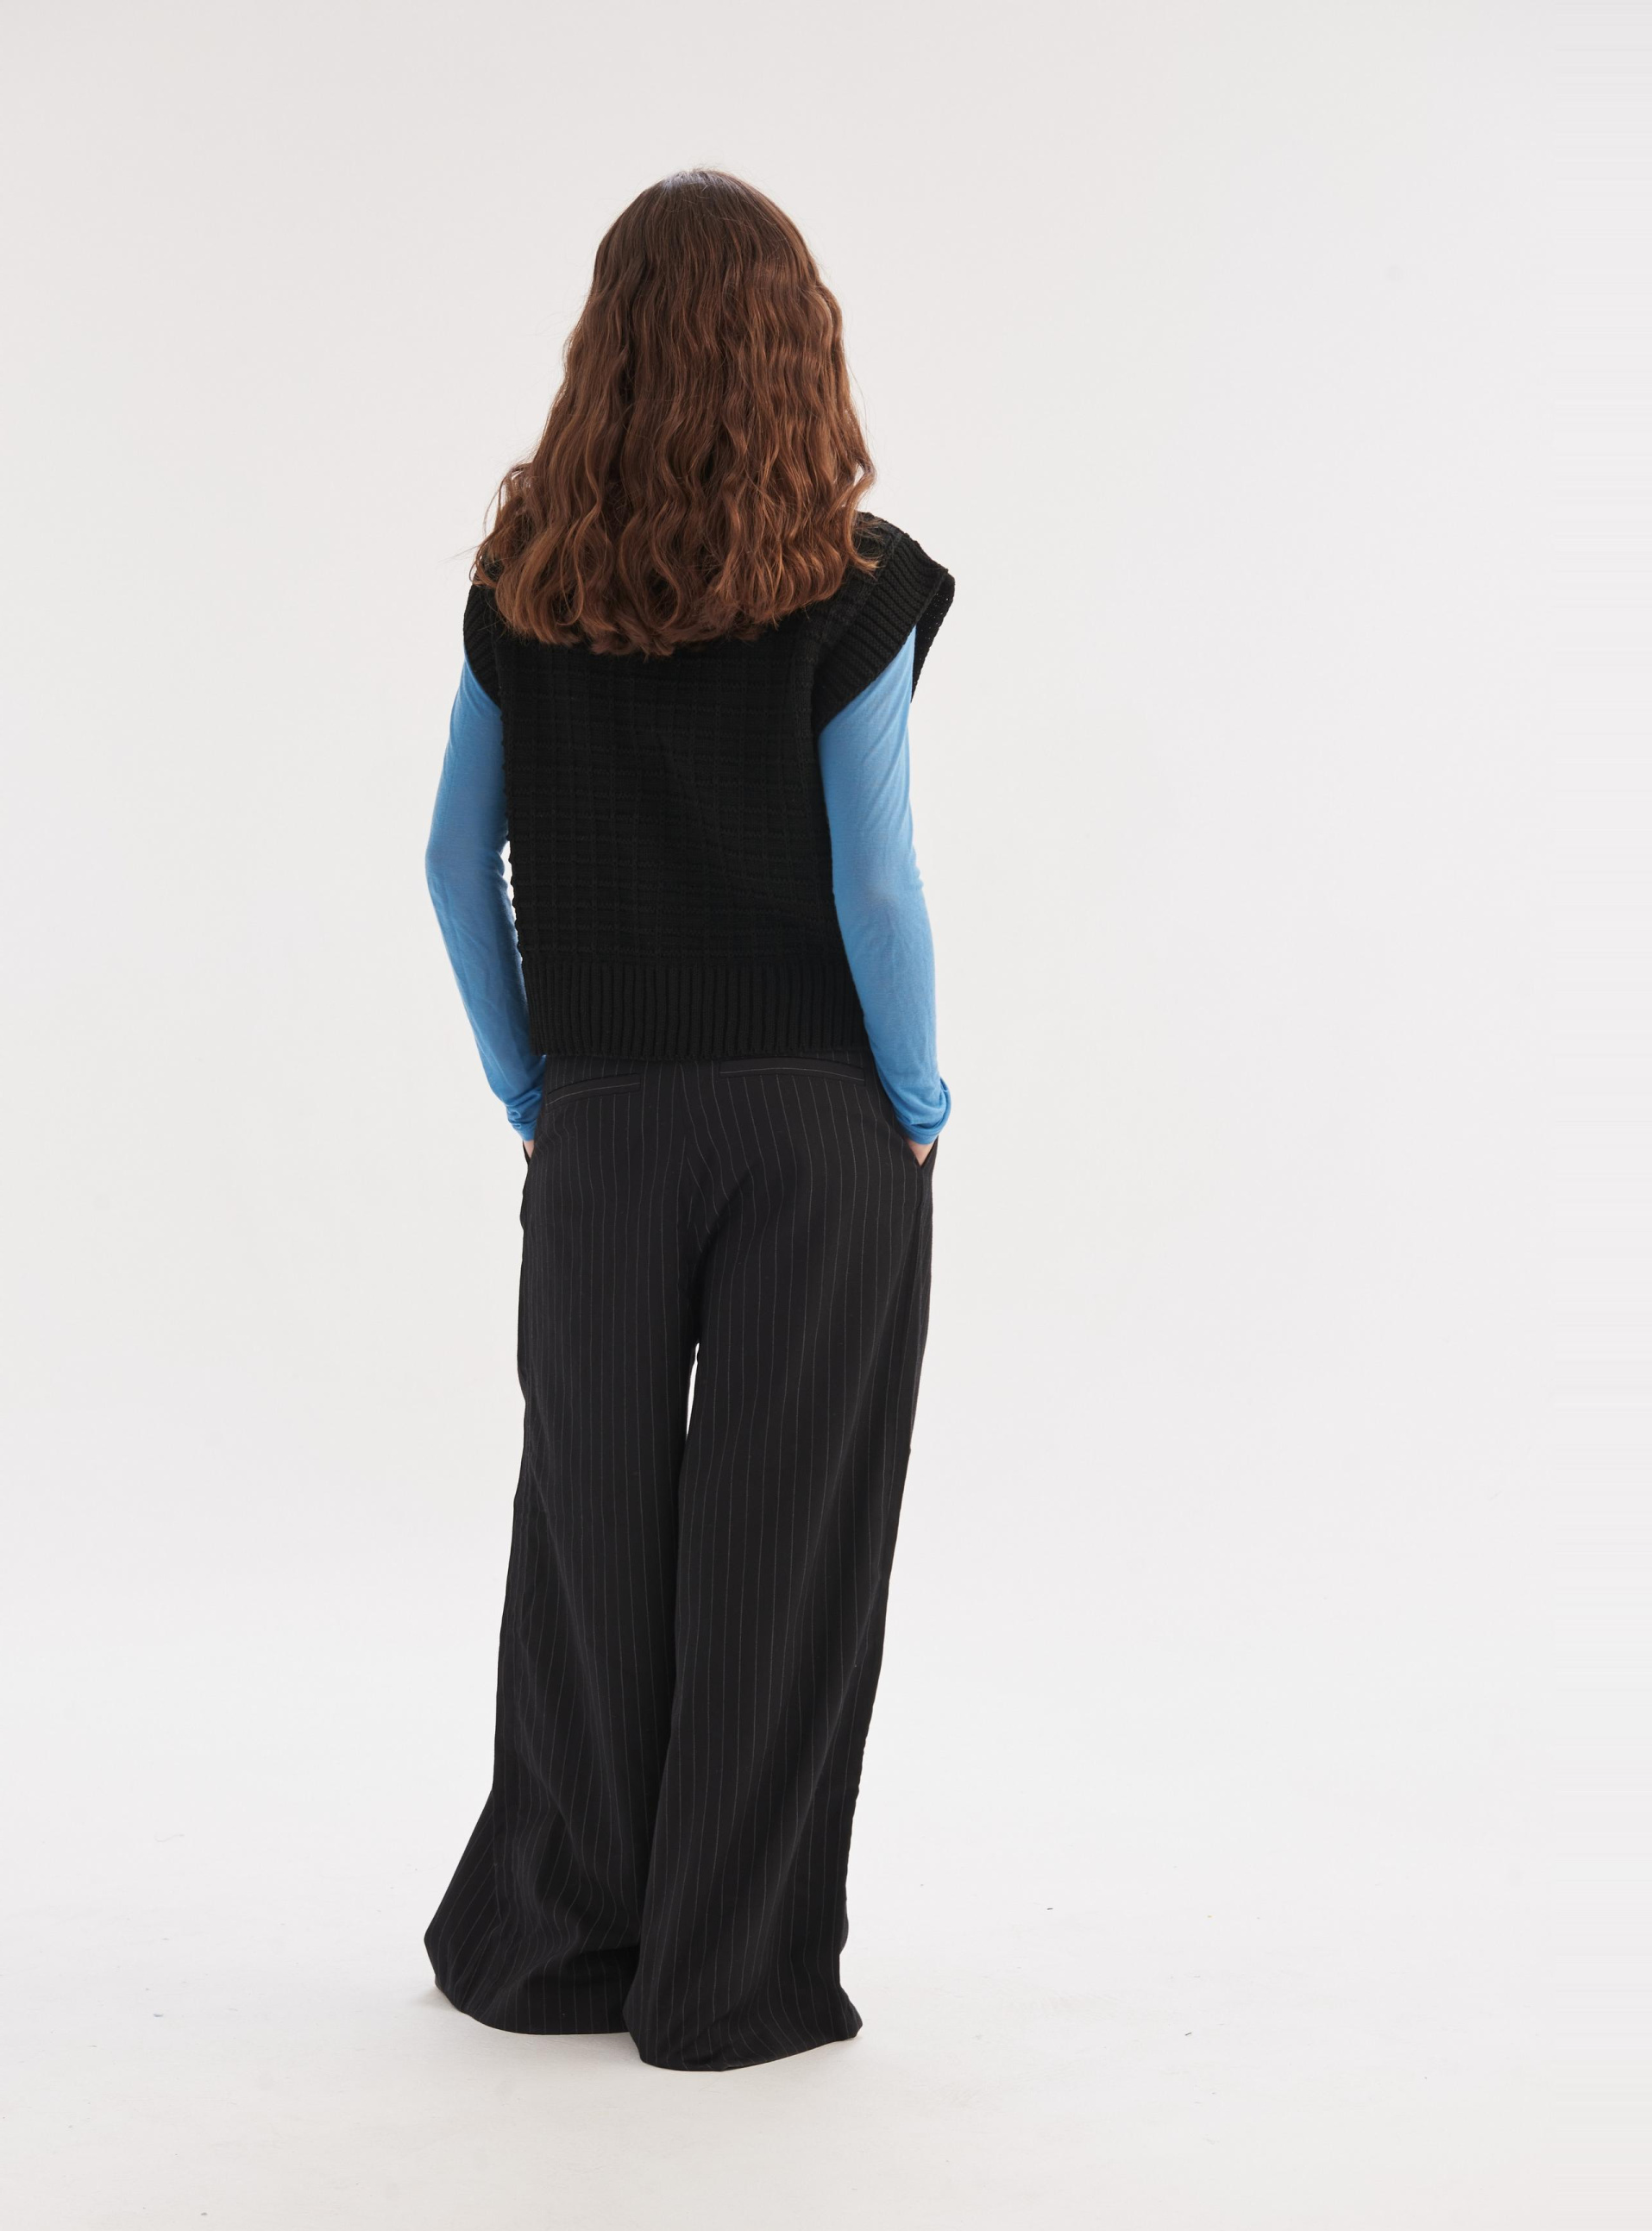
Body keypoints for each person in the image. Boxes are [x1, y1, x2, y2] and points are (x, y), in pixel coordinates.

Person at [421, 170, 954, 2073]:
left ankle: (557, 1944)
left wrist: (533, 1087)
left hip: (605, 1128)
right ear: (798, 346)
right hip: (818, 1132)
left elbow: (451, 864)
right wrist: (915, 1102)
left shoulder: (525, 586)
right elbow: (873, 885)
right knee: (777, 1550)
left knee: (590, 1529)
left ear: (608, 348)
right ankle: (727, 1980)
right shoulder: (856, 585)